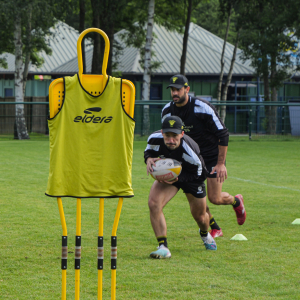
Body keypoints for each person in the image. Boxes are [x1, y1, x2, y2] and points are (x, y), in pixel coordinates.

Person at [161, 74, 246, 238]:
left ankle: (236, 201)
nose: (174, 93)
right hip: (189, 158)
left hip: (211, 157)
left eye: (178, 89)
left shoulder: (202, 107)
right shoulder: (167, 111)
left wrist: (221, 164)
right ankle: (215, 228)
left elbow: (223, 134)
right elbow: (166, 137)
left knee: (215, 198)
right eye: (172, 90)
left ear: (187, 89)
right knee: (196, 198)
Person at [144, 115, 217, 259]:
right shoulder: (154, 138)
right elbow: (149, 151)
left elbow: (200, 173)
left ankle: (204, 234)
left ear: (182, 134)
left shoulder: (190, 149)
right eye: (167, 135)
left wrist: (180, 178)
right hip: (170, 173)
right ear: (162, 132)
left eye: (175, 136)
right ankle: (163, 246)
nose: (171, 140)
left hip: (193, 177)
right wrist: (148, 159)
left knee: (201, 217)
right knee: (154, 203)